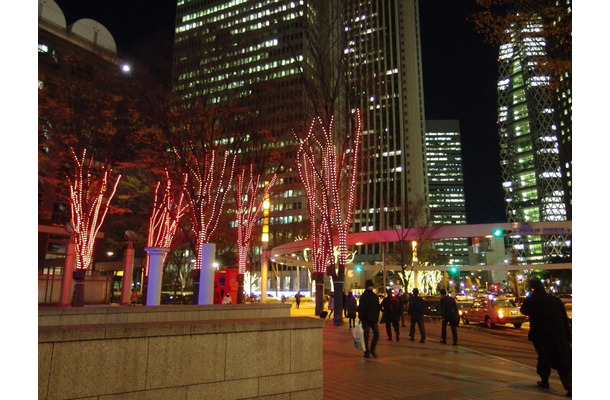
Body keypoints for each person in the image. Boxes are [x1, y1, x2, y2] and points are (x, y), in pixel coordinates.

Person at [520, 279, 572, 397]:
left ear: (532, 288)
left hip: (541, 335)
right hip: (559, 335)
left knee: (544, 358)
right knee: (562, 360)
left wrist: (530, 296)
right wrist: (568, 336)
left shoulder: (532, 300)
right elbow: (564, 318)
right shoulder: (555, 300)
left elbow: (523, 310)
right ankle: (569, 387)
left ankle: (545, 381)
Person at [358, 280, 380, 358]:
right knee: (366, 336)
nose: (371, 287)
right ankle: (366, 351)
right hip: (366, 319)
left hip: (373, 319)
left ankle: (372, 349)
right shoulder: (364, 296)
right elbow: (361, 308)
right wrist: (361, 317)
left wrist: (377, 317)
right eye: (370, 286)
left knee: (376, 334)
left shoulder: (374, 296)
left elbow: (378, 307)